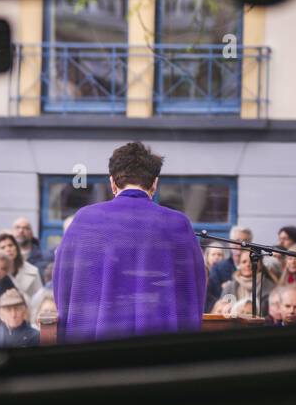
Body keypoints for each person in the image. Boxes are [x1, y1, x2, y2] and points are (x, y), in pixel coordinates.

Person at [54, 142, 206, 343]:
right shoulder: (178, 223)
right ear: (154, 184)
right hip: (161, 351)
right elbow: (194, 292)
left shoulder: (84, 219)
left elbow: (62, 285)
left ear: (112, 183)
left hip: (96, 352)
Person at [0, 231, 41, 302]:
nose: (8, 249)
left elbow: (39, 299)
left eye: (10, 245)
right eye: (3, 247)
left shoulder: (33, 271)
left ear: (16, 248)